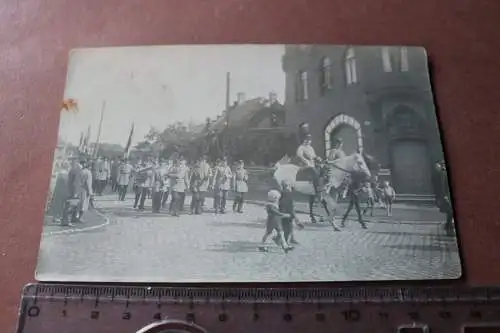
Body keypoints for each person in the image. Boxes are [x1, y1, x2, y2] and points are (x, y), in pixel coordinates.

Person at [278, 180, 304, 245]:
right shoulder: (286, 194)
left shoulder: (283, 193)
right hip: (286, 214)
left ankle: (291, 239)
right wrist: (294, 216)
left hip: (285, 213)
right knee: (287, 228)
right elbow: (289, 206)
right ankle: (283, 241)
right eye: (289, 186)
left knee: (288, 227)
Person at [296, 133, 321, 199]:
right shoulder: (301, 147)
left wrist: (318, 158)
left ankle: (320, 187)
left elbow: (314, 156)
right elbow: (299, 156)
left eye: (309, 139)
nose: (308, 141)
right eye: (306, 139)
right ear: (304, 140)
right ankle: (317, 191)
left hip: (312, 165)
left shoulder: (311, 148)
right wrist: (306, 161)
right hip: (305, 166)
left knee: (322, 170)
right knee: (315, 172)